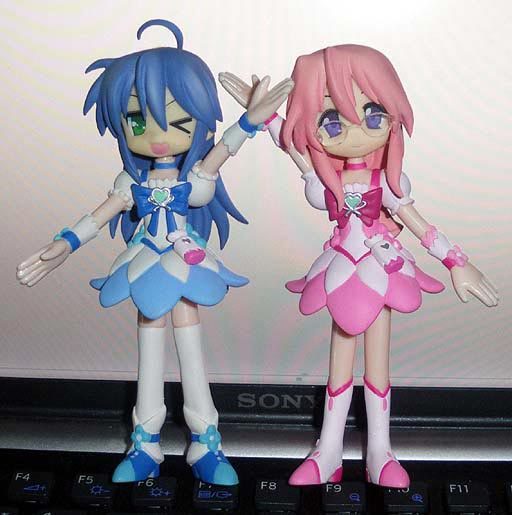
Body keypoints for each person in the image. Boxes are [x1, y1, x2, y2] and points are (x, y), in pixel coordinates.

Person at [16, 19, 293, 486]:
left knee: (190, 345)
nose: (159, 135)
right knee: (149, 343)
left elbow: (221, 154)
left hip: (184, 257)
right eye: (139, 121)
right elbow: (99, 214)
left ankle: (205, 438)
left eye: (179, 119)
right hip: (145, 258)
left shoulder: (193, 180)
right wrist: (64, 244)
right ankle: (145, 441)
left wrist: (251, 122)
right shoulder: (132, 182)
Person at [219, 44, 498, 488]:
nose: (352, 132)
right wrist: (265, 118)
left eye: (372, 114)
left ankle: (380, 450)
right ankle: (328, 449)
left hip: (381, 266)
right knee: (339, 364)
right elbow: (294, 150)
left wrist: (456, 262)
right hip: (341, 265)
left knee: (378, 366)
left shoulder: (384, 183)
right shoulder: (325, 179)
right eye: (331, 120)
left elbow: (419, 224)